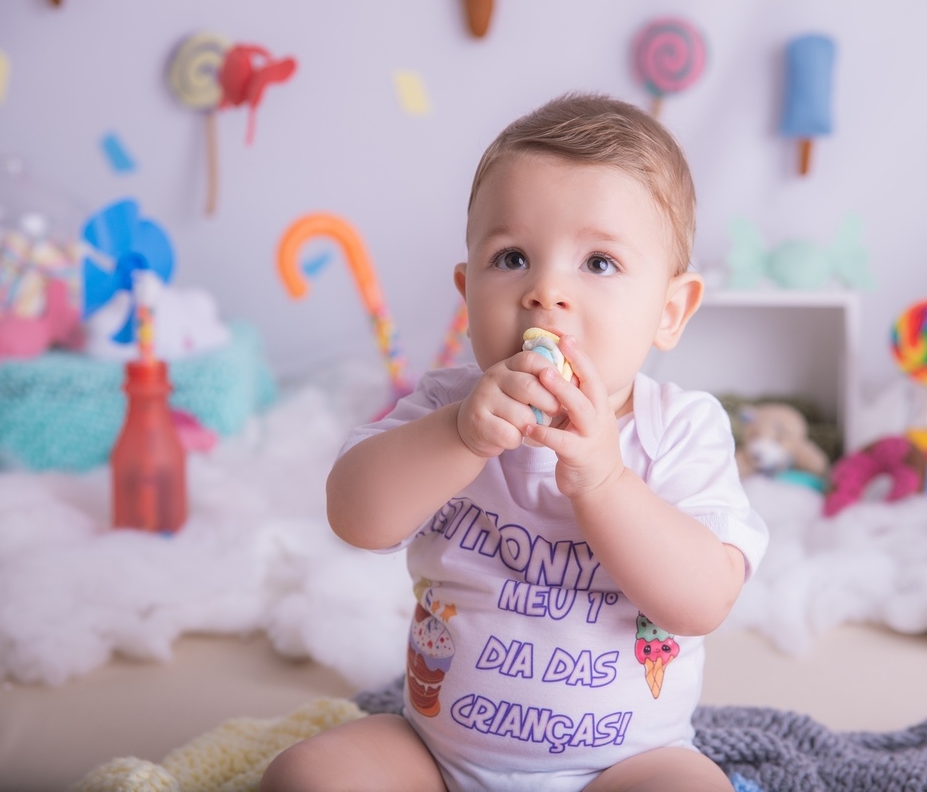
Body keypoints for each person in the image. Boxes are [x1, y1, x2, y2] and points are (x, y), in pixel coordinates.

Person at [261, 92, 768, 792]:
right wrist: (459, 435)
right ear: (467, 291)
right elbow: (354, 515)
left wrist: (606, 481)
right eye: (512, 257)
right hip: (438, 757)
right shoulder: (445, 408)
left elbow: (703, 600)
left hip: (622, 766)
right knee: (307, 775)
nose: (546, 291)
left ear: (669, 310)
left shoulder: (679, 430)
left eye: (598, 263)